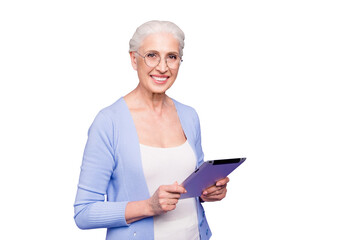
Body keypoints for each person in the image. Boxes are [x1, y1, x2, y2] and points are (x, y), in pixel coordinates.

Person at [74, 20, 229, 240]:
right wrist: (149, 206)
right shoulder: (109, 122)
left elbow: (191, 187)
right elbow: (84, 213)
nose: (163, 67)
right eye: (152, 55)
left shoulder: (189, 116)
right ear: (133, 59)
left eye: (172, 57)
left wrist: (207, 192)